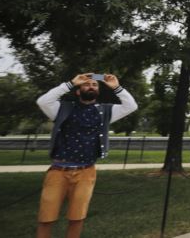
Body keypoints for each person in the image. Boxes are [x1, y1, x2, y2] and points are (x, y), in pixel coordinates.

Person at [35, 73, 137, 238]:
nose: (91, 86)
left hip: (86, 172)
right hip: (58, 171)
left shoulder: (105, 111)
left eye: (94, 85)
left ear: (98, 91)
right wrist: (70, 83)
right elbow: (42, 101)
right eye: (86, 84)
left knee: (77, 217)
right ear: (78, 91)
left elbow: (131, 106)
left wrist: (116, 87)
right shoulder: (62, 109)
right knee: (46, 217)